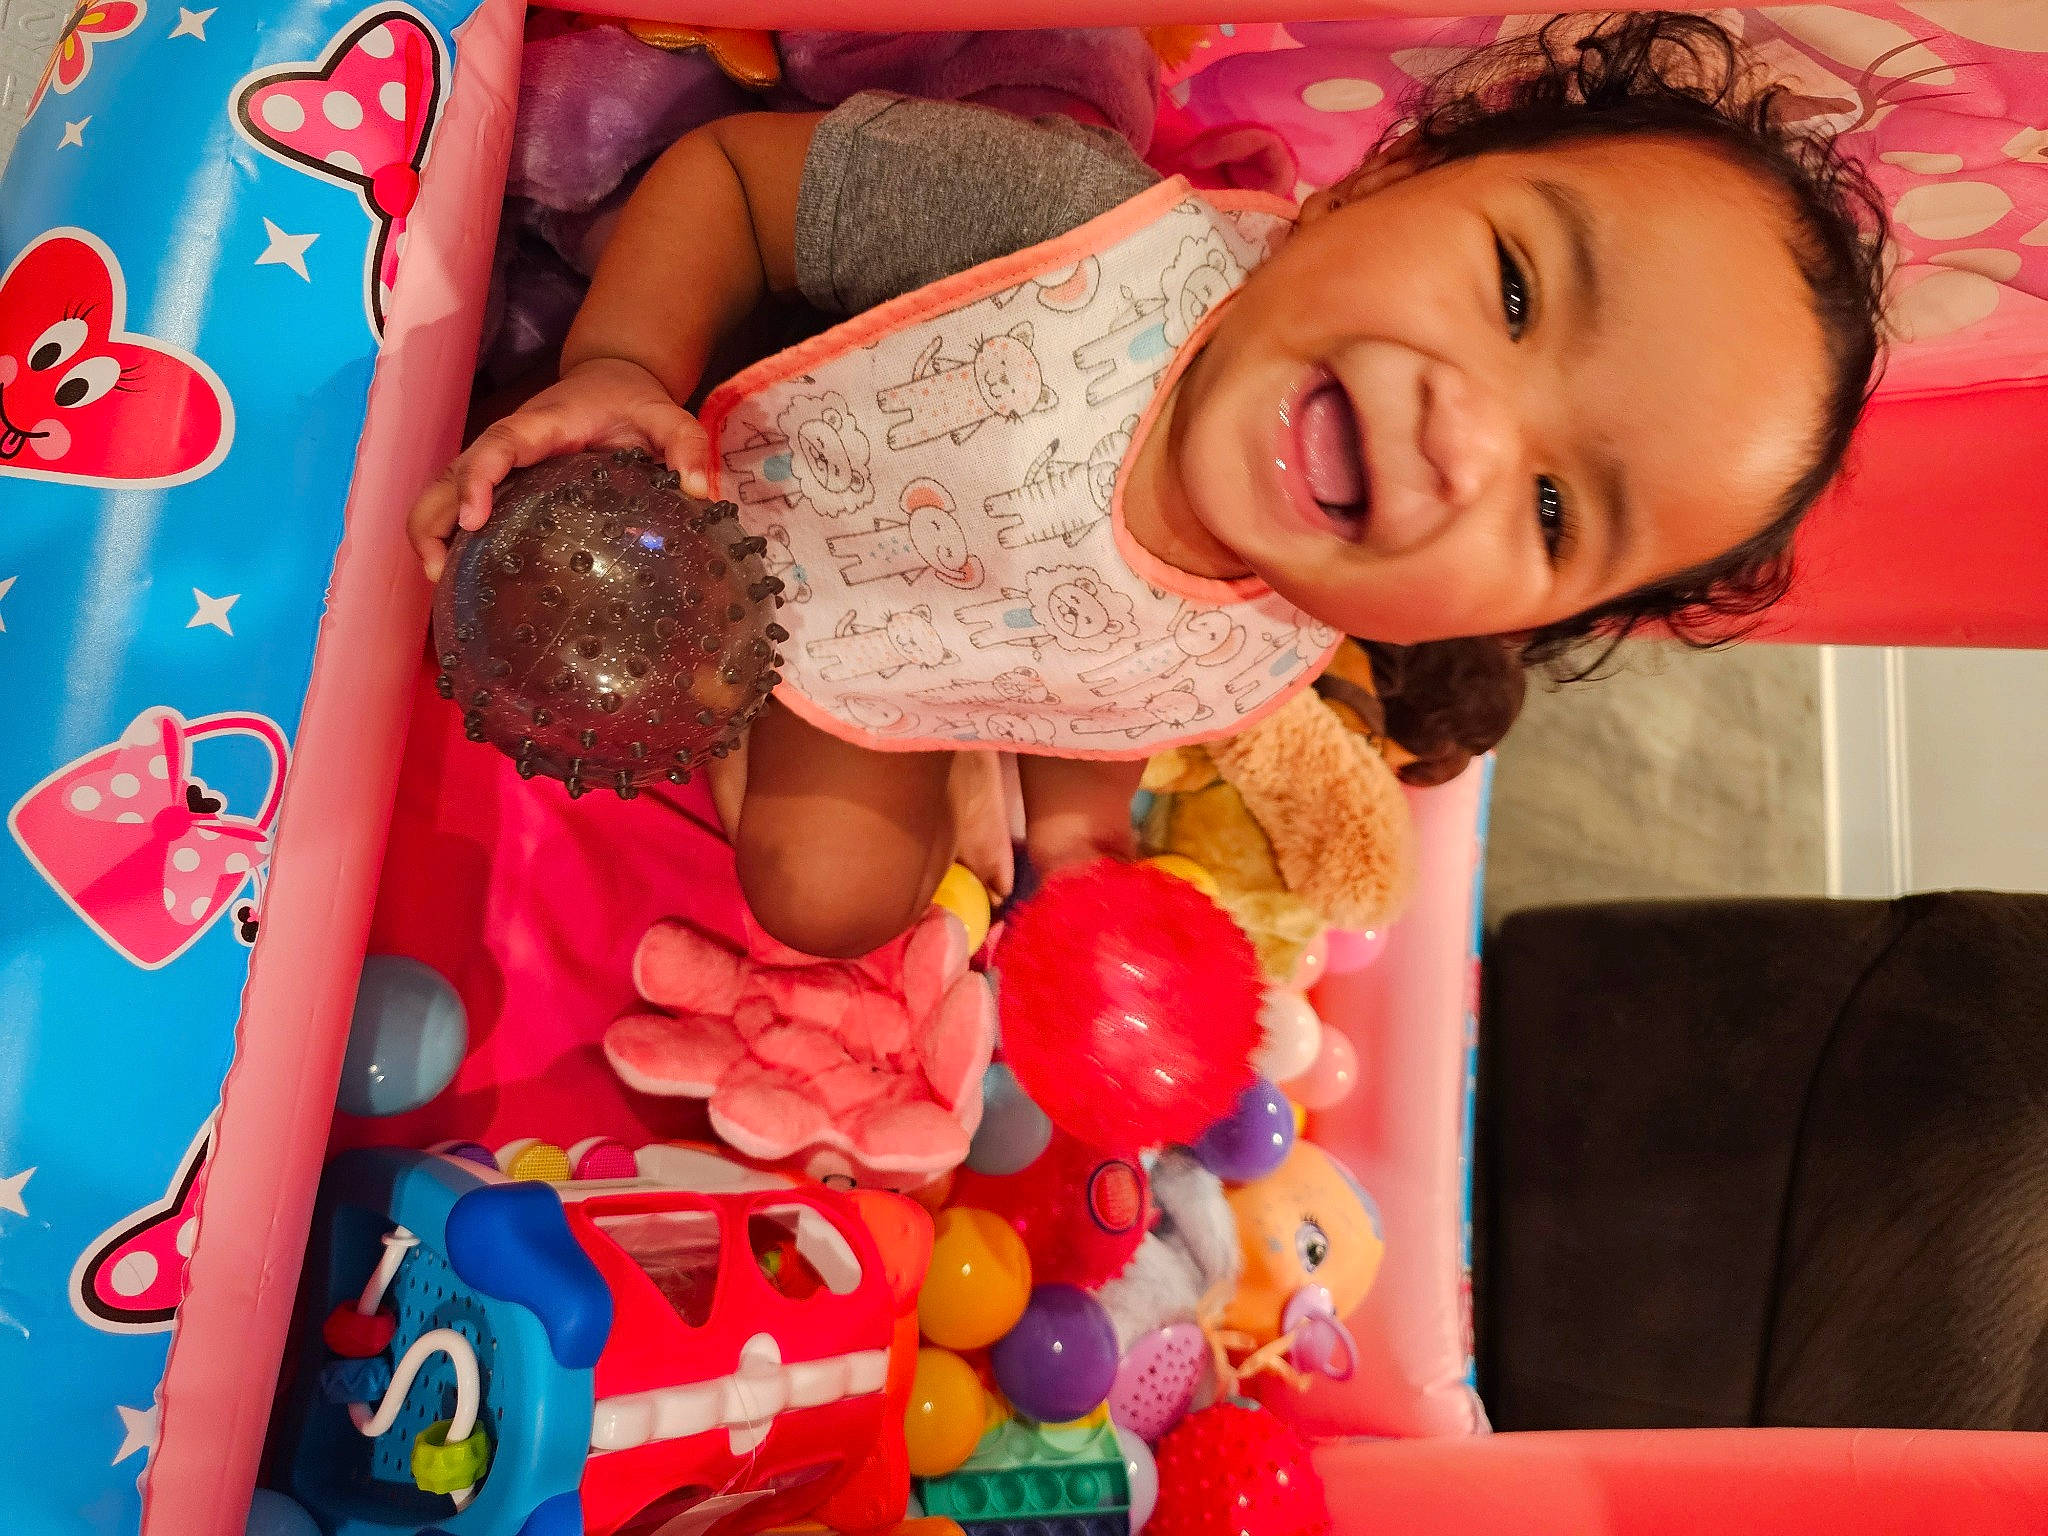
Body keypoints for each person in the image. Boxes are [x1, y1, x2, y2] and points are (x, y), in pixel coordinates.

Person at [409, 12, 1888, 958]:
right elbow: (735, 186)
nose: (1469, 443)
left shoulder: (1285, 631)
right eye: (1510, 287)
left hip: (897, 639)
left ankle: (947, 768)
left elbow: (1117, 665)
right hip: (734, 449)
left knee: (831, 907)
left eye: (1558, 514)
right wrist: (620, 371)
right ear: (1391, 173)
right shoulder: (1069, 231)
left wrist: (1078, 836)